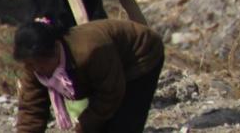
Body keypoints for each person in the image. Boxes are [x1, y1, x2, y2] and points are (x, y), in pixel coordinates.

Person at [14, 17, 164, 133]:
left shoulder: (90, 52)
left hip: (140, 54)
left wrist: (84, 125)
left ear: (53, 53)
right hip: (109, 66)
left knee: (122, 125)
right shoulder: (34, 67)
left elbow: (110, 94)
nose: (33, 69)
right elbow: (31, 108)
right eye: (29, 65)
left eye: (36, 64)